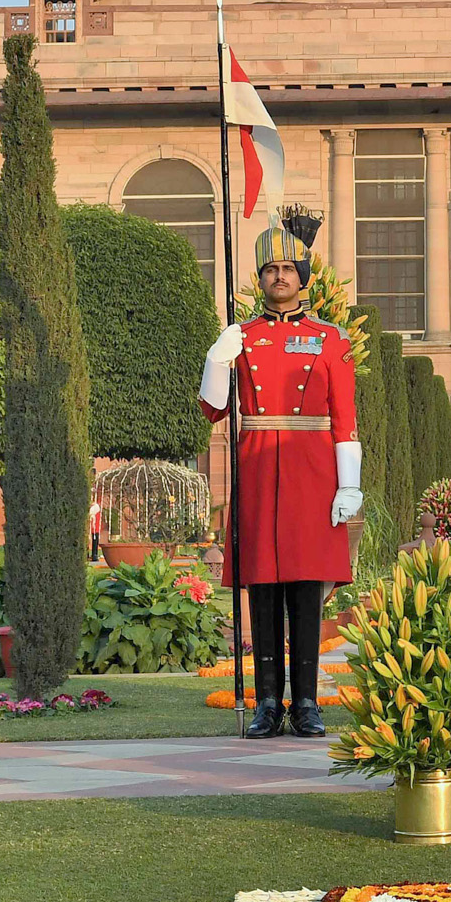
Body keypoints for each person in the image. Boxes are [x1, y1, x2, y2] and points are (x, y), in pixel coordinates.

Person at [198, 215, 362, 740]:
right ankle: (268, 701)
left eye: (289, 269)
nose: (279, 278)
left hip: (312, 470)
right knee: (264, 589)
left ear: (304, 277)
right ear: (261, 279)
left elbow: (345, 419)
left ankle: (307, 702)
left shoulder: (328, 339)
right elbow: (212, 411)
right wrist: (215, 360)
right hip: (260, 468)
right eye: (270, 269)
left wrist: (349, 484)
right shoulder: (241, 337)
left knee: (307, 589)